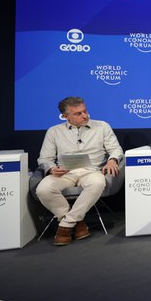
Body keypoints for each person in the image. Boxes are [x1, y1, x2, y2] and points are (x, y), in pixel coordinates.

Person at [36, 96, 124, 246]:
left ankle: (65, 226)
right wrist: (51, 168)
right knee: (43, 189)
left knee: (97, 183)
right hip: (65, 173)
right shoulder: (54, 131)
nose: (84, 116)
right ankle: (77, 222)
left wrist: (112, 160)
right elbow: (44, 158)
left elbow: (115, 149)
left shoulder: (102, 126)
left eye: (85, 111)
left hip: (92, 171)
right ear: (65, 116)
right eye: (78, 113)